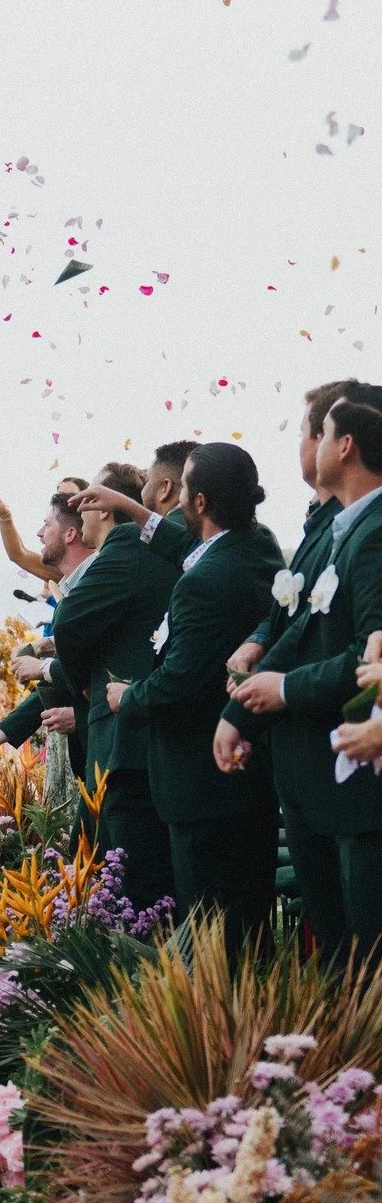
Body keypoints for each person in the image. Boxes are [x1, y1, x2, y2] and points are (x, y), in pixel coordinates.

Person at [222, 391, 382, 965]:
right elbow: (301, 619)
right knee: (340, 948)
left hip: (351, 767)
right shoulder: (338, 526)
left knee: (362, 953)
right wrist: (249, 690)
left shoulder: (372, 532)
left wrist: (284, 687)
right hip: (318, 768)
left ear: (344, 445)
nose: (302, 445)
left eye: (312, 431)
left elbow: (368, 656)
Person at [106, 445, 282, 952]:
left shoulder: (204, 581)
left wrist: (128, 697)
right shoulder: (258, 546)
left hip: (200, 777)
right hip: (248, 777)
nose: (176, 497)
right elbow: (190, 544)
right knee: (249, 922)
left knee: (211, 925)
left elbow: (180, 678)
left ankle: (218, 1025)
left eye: (182, 489)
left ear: (200, 502)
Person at [52, 463, 179, 909]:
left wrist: (81, 684)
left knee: (127, 876)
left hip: (123, 738)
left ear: (105, 510)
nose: (80, 510)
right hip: (147, 737)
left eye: (89, 498)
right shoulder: (161, 552)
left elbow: (68, 624)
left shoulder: (125, 546)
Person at [0, 491, 94, 778]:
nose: (39, 533)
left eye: (47, 524)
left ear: (70, 533)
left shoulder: (95, 586)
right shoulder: (72, 587)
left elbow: (115, 672)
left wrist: (83, 716)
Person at [0, 476, 89, 584]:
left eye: (69, 496)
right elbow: (20, 554)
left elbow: (20, 555)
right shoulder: (64, 568)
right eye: (59, 495)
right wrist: (3, 515)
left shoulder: (93, 566)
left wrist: (4, 516)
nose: (40, 534)